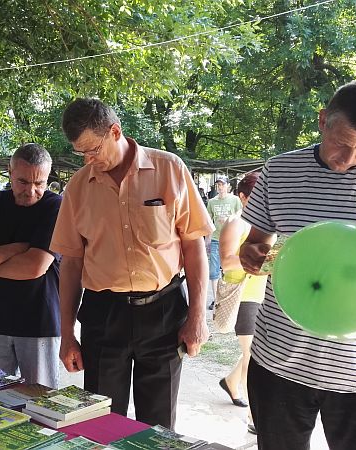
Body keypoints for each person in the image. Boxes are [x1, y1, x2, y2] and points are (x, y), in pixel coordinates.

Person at [239, 79, 356, 449]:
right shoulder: (279, 171)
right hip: (280, 361)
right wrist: (251, 256)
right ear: (323, 119)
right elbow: (256, 243)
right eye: (341, 144)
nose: (347, 160)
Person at [50, 98, 213, 428]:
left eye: (93, 150)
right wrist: (67, 333)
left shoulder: (169, 169)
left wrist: (197, 316)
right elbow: (71, 263)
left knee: (159, 423)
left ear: (115, 131)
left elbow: (195, 247)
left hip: (164, 312)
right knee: (102, 420)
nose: (88, 159)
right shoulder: (79, 187)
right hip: (103, 314)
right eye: (81, 153)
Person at [0, 143, 62, 387]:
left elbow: (34, 267)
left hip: (40, 322)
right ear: (10, 172)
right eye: (23, 182)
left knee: (40, 404)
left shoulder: (56, 206)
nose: (31, 191)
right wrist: (16, 248)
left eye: (40, 183)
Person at [214, 172, 266, 432]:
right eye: (255, 196)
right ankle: (254, 419)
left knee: (253, 355)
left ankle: (231, 382)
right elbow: (226, 261)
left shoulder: (267, 225)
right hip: (242, 296)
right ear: (242, 197)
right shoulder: (236, 222)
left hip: (262, 296)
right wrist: (262, 260)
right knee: (254, 358)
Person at [206, 175, 241, 305]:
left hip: (232, 240)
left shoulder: (235, 200)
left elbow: (241, 219)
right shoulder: (212, 202)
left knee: (228, 269)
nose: (220, 187)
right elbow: (209, 222)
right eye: (218, 185)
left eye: (222, 184)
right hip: (216, 239)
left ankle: (228, 297)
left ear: (228, 186)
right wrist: (207, 241)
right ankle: (216, 300)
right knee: (214, 271)